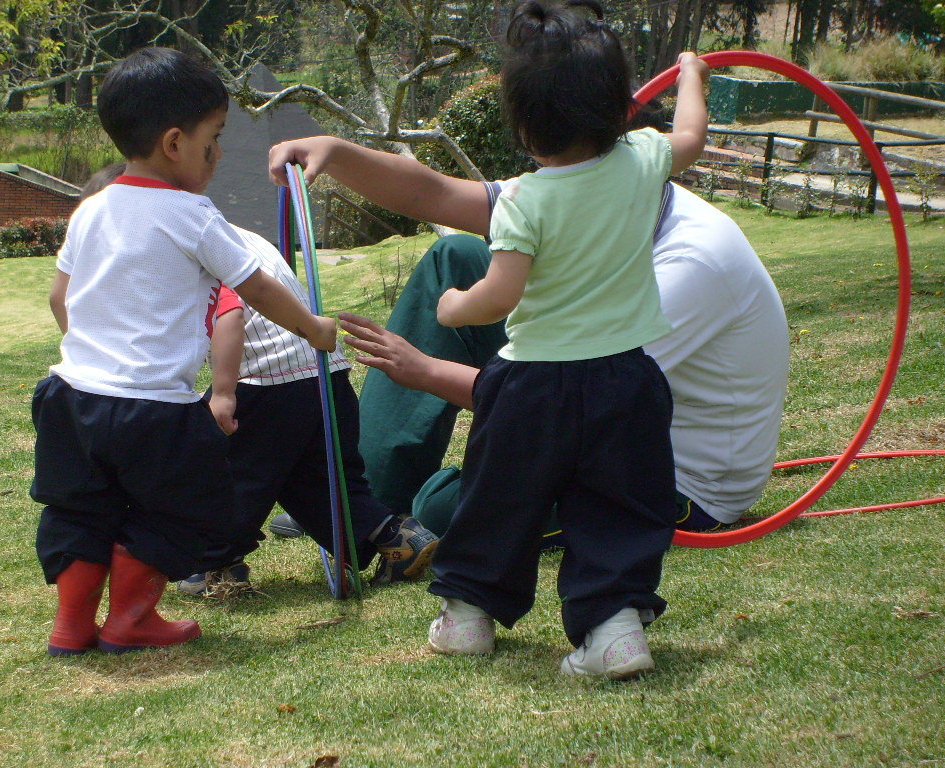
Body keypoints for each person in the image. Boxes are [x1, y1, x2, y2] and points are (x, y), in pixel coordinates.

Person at [282, 0, 711, 678]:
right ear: (623, 108)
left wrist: (453, 308)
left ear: (522, 122)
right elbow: (691, 132)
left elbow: (488, 277)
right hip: (628, 382)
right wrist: (691, 74)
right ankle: (616, 628)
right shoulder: (644, 162)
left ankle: (467, 617)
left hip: (535, 386)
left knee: (498, 501)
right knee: (619, 510)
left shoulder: (523, 200)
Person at [31, 47, 337, 657]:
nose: (218, 155)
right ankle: (131, 621)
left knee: (78, 508)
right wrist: (312, 328)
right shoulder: (193, 214)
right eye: (213, 140)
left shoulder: (90, 210)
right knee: (176, 507)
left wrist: (95, 356)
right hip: (152, 410)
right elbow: (254, 287)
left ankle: (70, 627)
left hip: (69, 397)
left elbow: (59, 297)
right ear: (175, 143)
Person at [172, 235, 440, 597]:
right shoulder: (235, 233)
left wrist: (223, 391)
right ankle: (393, 535)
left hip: (265, 379)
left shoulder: (190, 239)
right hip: (323, 370)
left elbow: (228, 313)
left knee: (228, 475)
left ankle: (216, 564)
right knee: (315, 479)